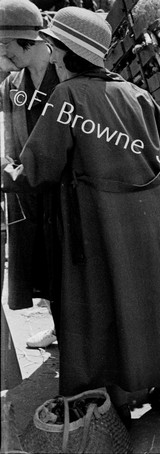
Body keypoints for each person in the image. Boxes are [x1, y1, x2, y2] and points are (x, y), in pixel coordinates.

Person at [2, 6, 160, 429]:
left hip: (103, 221)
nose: (55, 59)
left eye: (57, 51)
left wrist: (7, 174)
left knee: (106, 307)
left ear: (64, 54)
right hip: (158, 215)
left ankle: (114, 394)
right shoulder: (135, 93)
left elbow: (36, 170)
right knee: (153, 300)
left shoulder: (67, 96)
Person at [0, 0, 61, 349]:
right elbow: (9, 138)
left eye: (5, 44)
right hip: (27, 192)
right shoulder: (13, 84)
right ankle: (57, 326)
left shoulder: (66, 76)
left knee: (71, 265)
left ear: (28, 40)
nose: (2, 52)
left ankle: (80, 335)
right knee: (39, 263)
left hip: (64, 191)